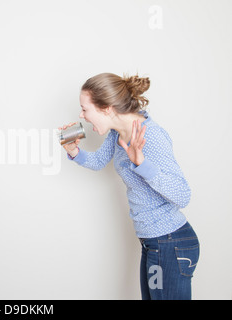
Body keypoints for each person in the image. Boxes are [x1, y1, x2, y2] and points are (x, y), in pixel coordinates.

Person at [61, 73, 200, 300]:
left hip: (170, 244)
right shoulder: (118, 134)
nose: (81, 115)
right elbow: (97, 162)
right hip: (153, 243)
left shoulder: (151, 136)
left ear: (106, 108)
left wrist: (141, 163)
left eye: (85, 109)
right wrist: (73, 151)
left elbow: (183, 195)